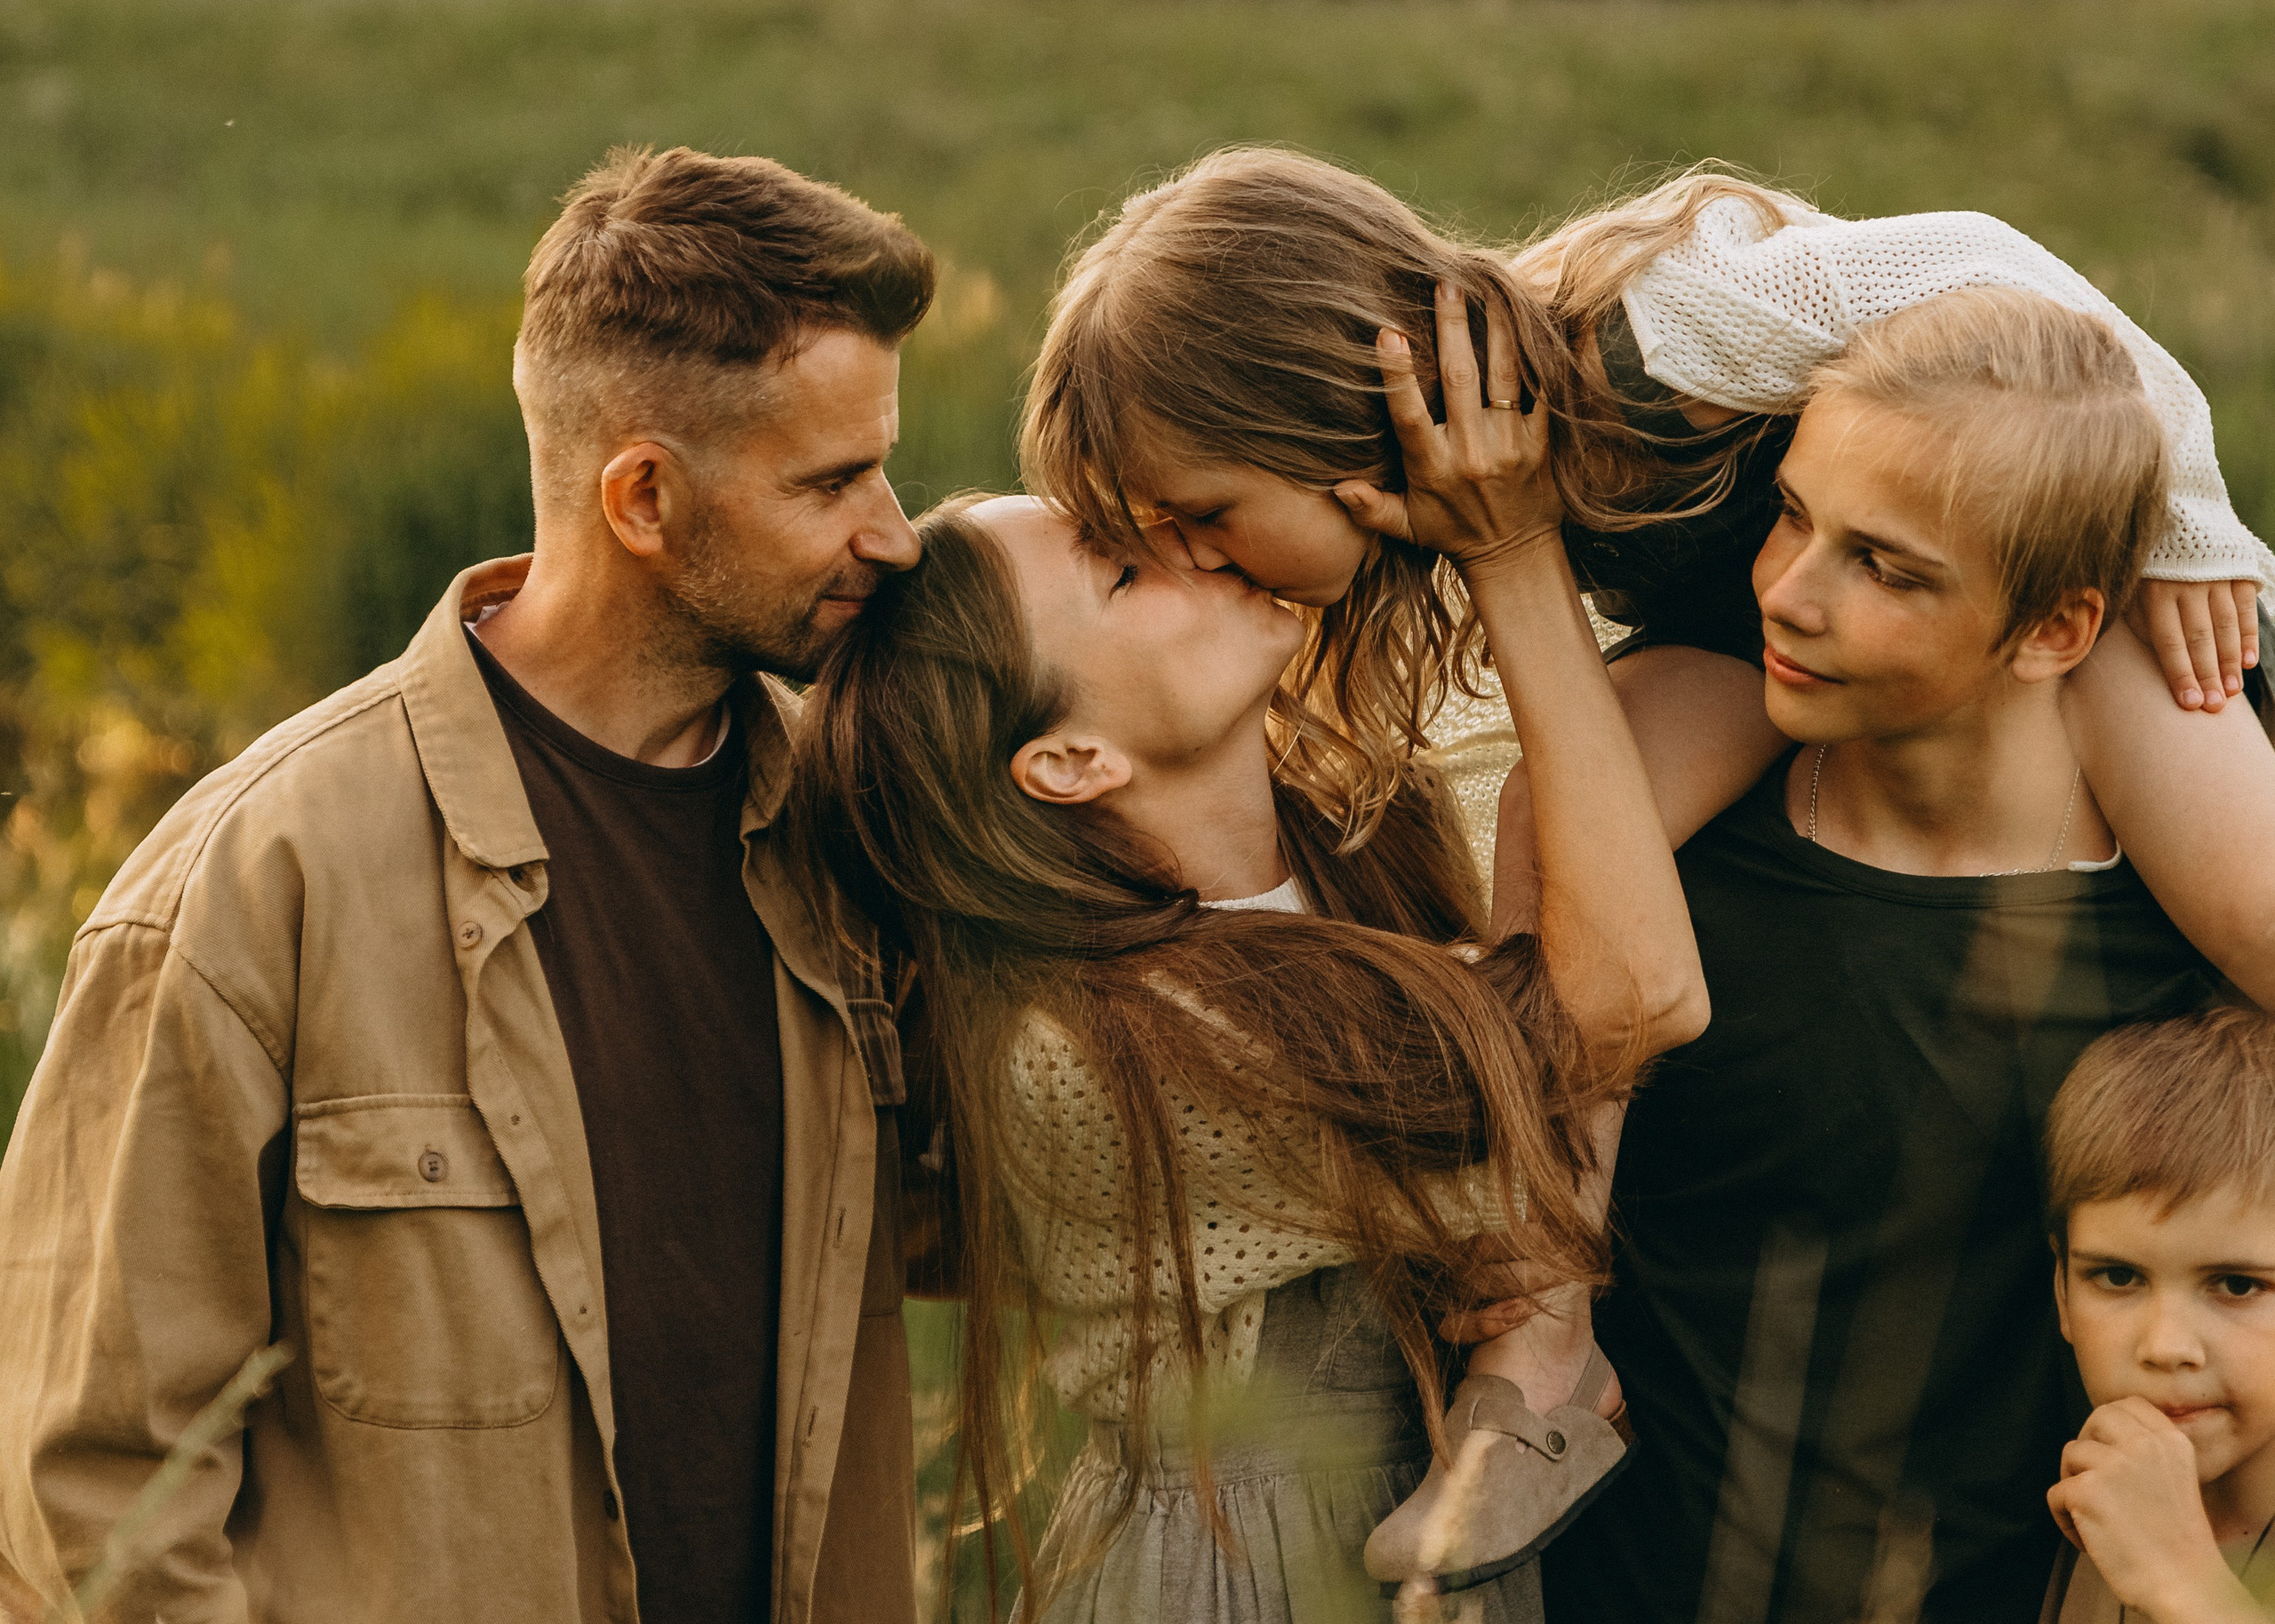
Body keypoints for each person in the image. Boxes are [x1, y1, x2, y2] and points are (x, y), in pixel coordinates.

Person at [1018, 147, 2275, 1586]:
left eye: (1204, 513)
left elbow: (1990, 260)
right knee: (1554, 824)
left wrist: (2189, 519)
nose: (1197, 558)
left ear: (1316, 430)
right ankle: (1544, 1332)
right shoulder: (1483, 491)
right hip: (1798, 620)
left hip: (2002, 575)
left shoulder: (1644, 343)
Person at [0, 147, 931, 1623]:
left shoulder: (864, 840)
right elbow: (88, 1486)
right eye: (831, 482)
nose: (894, 532)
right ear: (643, 497)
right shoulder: (257, 880)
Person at [789, 288, 1704, 1622]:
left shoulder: (1357, 825)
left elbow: (1621, 760)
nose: (1191, 551)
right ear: (1069, 761)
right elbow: (1630, 1000)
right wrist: (1511, 549)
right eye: (1122, 571)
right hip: (1238, 1563)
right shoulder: (1098, 1037)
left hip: (1403, 1523)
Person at [1535, 286, 2233, 1622]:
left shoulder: (2170, 931)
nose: (1787, 594)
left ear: (2056, 631)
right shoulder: (1672, 843)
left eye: (1886, 569)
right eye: (1793, 516)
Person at [2040, 1007, 2275, 1623]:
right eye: (2118, 1277)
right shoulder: (2062, 1517)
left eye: (2238, 1285)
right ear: (2062, 1292)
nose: (2166, 1346)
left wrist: (2188, 1587)